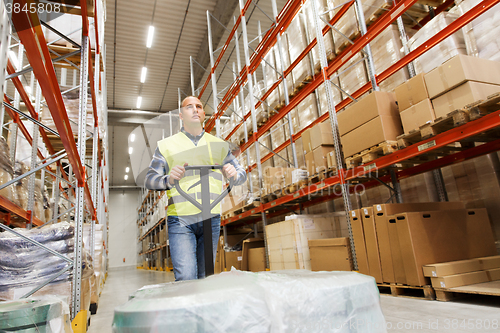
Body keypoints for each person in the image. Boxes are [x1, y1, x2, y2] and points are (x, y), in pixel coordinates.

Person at [144, 96, 246, 281]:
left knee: (206, 277)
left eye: (199, 106)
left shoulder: (219, 145)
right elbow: (150, 179)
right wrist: (168, 178)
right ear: (181, 116)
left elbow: (241, 174)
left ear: (203, 114)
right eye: (189, 107)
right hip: (181, 218)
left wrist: (234, 174)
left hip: (211, 216)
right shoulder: (166, 146)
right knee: (186, 277)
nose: (195, 109)